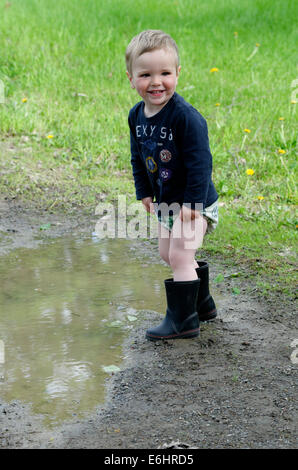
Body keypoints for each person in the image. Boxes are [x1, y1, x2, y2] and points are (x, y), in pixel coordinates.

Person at [126, 30, 219, 341]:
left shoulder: (186, 119)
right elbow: (137, 157)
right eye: (146, 74)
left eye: (165, 73)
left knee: (180, 255)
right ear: (131, 78)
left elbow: (201, 165)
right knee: (167, 253)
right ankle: (202, 303)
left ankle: (184, 321)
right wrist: (144, 192)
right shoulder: (136, 115)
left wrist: (194, 205)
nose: (156, 82)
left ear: (177, 73)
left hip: (194, 202)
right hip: (167, 201)